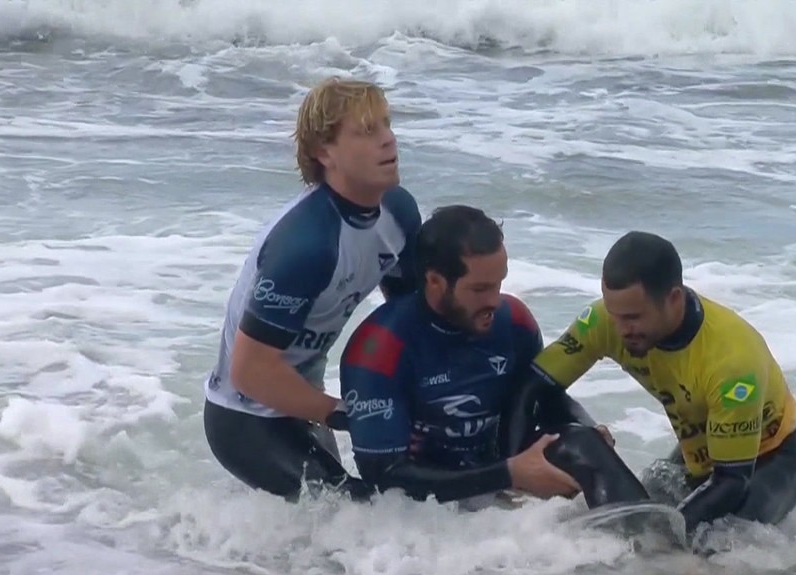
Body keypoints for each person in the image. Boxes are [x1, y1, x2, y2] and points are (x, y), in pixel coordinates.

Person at [337, 205, 652, 507]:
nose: (494, 300)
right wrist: (508, 474)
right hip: (429, 505)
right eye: (480, 289)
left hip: (504, 475)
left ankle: (656, 548)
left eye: (499, 284)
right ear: (434, 281)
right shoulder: (380, 349)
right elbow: (384, 475)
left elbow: (543, 399)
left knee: (585, 443)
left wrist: (585, 426)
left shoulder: (513, 321)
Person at [202, 76, 422, 500]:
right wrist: (341, 414)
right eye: (367, 131)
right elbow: (249, 372)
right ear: (325, 152)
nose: (388, 141)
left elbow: (410, 322)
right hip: (245, 416)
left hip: (302, 401)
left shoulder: (398, 213)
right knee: (354, 514)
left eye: (387, 124)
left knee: (380, 508)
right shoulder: (307, 245)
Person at [513, 231, 796, 540]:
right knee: (626, 528)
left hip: (769, 460)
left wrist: (661, 537)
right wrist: (517, 471)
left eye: (633, 318)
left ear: (674, 299)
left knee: (713, 552)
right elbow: (531, 390)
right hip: (702, 450)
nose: (621, 329)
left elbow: (731, 482)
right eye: (614, 315)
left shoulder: (732, 363)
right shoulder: (606, 321)